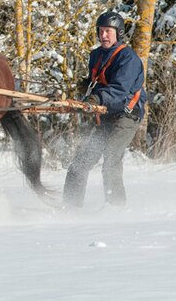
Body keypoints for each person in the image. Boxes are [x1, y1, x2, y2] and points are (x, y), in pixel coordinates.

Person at [62, 11, 147, 209]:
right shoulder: (97, 55)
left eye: (108, 31)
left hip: (125, 115)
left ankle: (115, 208)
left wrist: (96, 97)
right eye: (101, 31)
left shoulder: (128, 58)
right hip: (106, 117)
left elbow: (119, 90)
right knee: (79, 164)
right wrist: (86, 89)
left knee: (111, 159)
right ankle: (70, 208)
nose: (104, 35)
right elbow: (98, 82)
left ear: (119, 33)